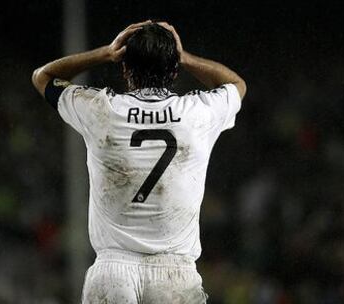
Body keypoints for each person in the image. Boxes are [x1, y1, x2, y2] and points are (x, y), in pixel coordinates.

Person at [32, 20, 246, 304]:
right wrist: (185, 57)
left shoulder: (102, 109)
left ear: (125, 67)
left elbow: (43, 76)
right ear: (173, 70)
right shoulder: (198, 112)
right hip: (175, 274)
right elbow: (236, 84)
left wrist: (104, 53)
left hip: (112, 271)